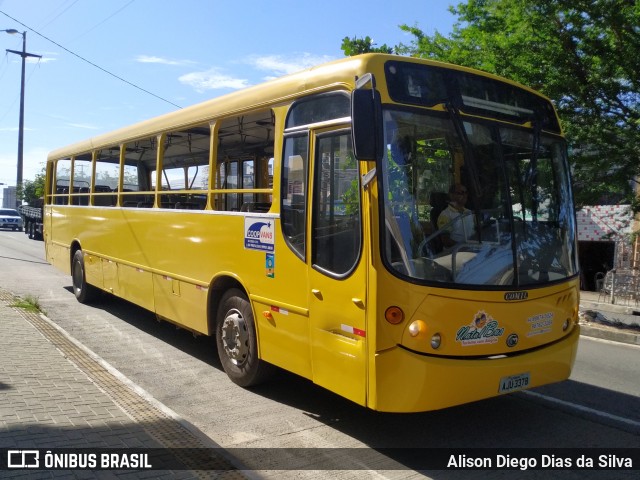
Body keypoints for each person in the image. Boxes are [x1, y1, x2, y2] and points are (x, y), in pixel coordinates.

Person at [437, 183, 474, 248]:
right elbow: (446, 241)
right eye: (461, 193)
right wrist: (463, 247)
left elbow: (478, 232)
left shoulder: (469, 212)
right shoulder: (445, 215)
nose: (465, 195)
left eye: (466, 193)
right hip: (454, 253)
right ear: (451, 195)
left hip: (473, 250)